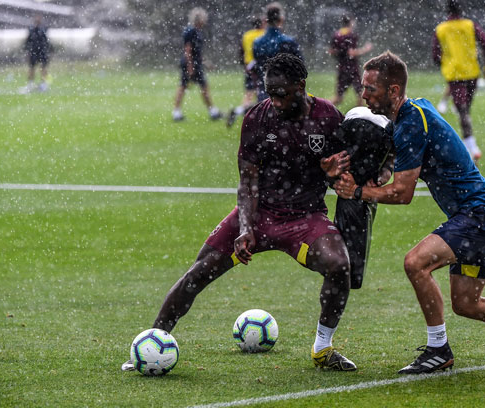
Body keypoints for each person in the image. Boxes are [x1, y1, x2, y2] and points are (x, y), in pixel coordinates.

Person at [334, 51, 485, 374]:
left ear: (393, 92)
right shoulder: (412, 114)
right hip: (483, 215)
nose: (363, 95)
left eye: (370, 88)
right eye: (363, 87)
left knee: (415, 263)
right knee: (466, 304)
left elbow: (403, 194)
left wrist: (357, 192)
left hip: (477, 215)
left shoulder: (412, 122)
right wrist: (377, 173)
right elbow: (395, 161)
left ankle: (438, 349)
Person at [122, 53, 356, 372]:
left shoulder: (329, 117)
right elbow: (247, 182)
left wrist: (331, 173)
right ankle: (152, 343)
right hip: (258, 214)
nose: (274, 101)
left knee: (339, 266)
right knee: (197, 273)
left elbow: (346, 173)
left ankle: (322, 349)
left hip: (305, 218)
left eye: (281, 93)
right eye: (269, 92)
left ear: (301, 86)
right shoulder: (257, 118)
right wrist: (246, 227)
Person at [329, 107, 394, 289]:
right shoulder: (389, 132)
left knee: (351, 188)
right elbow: (393, 150)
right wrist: (387, 168)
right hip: (378, 129)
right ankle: (350, 272)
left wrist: (387, 169)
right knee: (356, 189)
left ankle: (348, 271)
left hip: (360, 123)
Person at [432, 0, 485, 164]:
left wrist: (444, 63)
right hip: (472, 72)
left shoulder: (441, 29)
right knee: (465, 110)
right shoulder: (470, 25)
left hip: (454, 73)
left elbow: (435, 55)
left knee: (463, 110)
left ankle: (469, 146)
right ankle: (471, 147)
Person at [172, 7, 221, 122]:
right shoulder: (190, 31)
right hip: (190, 64)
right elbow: (188, 50)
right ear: (200, 19)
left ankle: (212, 111)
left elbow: (197, 52)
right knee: (184, 87)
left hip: (196, 63)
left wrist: (206, 63)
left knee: (198, 87)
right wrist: (190, 67)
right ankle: (176, 112)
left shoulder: (198, 31)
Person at [252, 2, 303, 102]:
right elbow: (300, 68)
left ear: (265, 20)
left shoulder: (257, 43)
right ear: (281, 19)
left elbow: (258, 66)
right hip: (286, 94)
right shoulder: (289, 42)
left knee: (266, 115)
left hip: (264, 91)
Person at [227, 16, 266, 128]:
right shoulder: (263, 35)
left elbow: (241, 51)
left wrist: (244, 64)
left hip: (248, 67)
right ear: (262, 24)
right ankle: (250, 116)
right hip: (259, 67)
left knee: (249, 93)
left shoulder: (246, 35)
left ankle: (239, 111)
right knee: (261, 94)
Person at [329, 14, 373, 107]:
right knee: (361, 94)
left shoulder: (337, 34)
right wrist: (366, 49)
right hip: (352, 68)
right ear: (351, 22)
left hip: (342, 67)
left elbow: (331, 51)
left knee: (339, 97)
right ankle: (360, 117)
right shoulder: (351, 35)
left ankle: (322, 108)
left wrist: (341, 55)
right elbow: (352, 53)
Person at [22, 14, 52, 93]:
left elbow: (46, 40)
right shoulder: (31, 29)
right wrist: (27, 51)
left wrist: (48, 51)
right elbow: (28, 41)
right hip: (33, 51)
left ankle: (43, 85)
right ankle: (30, 84)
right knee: (32, 68)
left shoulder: (44, 28)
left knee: (43, 68)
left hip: (42, 51)